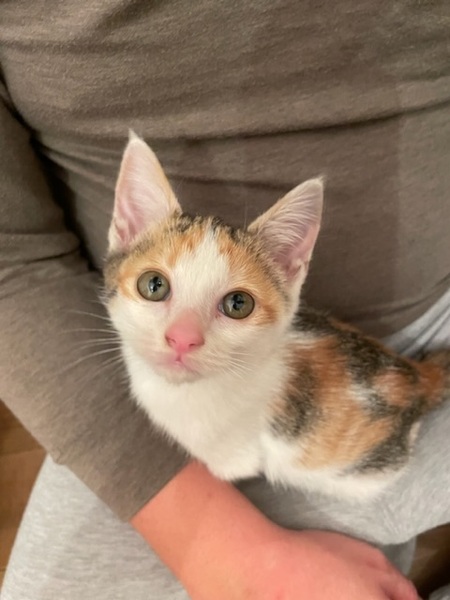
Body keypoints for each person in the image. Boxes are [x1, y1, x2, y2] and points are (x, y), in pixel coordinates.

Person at [1, 1, 449, 599]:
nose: (183, 336)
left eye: (235, 304)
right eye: (155, 287)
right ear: (125, 230)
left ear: (290, 271)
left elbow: (234, 458)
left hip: (375, 405)